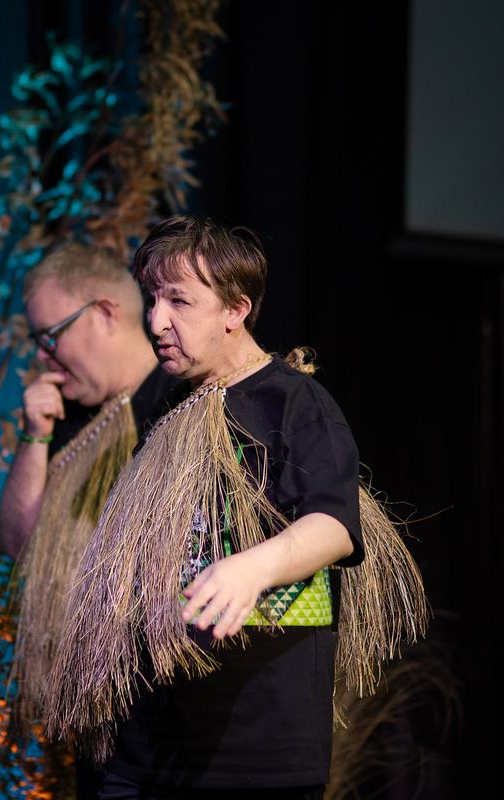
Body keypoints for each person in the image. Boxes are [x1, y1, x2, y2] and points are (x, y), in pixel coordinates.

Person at [43, 217, 427, 799]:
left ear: (235, 309)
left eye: (179, 300)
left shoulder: (293, 402)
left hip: (256, 749)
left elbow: (333, 526)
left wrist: (250, 567)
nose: (156, 321)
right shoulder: (167, 409)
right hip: (148, 749)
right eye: (152, 299)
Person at [0, 241, 178, 799]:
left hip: (175, 716)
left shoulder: (181, 404)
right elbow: (21, 545)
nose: (44, 356)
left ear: (104, 313)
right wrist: (35, 437)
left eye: (51, 336)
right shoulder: (71, 418)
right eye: (36, 342)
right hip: (102, 727)